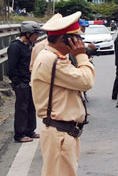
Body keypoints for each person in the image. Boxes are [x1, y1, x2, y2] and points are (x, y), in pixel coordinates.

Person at [31, 11, 95, 176]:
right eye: (76, 38)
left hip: (62, 132)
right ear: (64, 39)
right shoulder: (53, 60)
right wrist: (81, 56)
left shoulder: (52, 56)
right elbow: (86, 81)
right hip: (59, 133)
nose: (80, 42)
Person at [8, 21, 43, 142]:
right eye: (35, 34)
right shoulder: (15, 46)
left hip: (30, 80)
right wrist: (17, 82)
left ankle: (30, 130)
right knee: (22, 108)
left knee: (32, 106)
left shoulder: (30, 46)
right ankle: (20, 134)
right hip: (21, 82)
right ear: (27, 33)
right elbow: (11, 67)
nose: (37, 37)